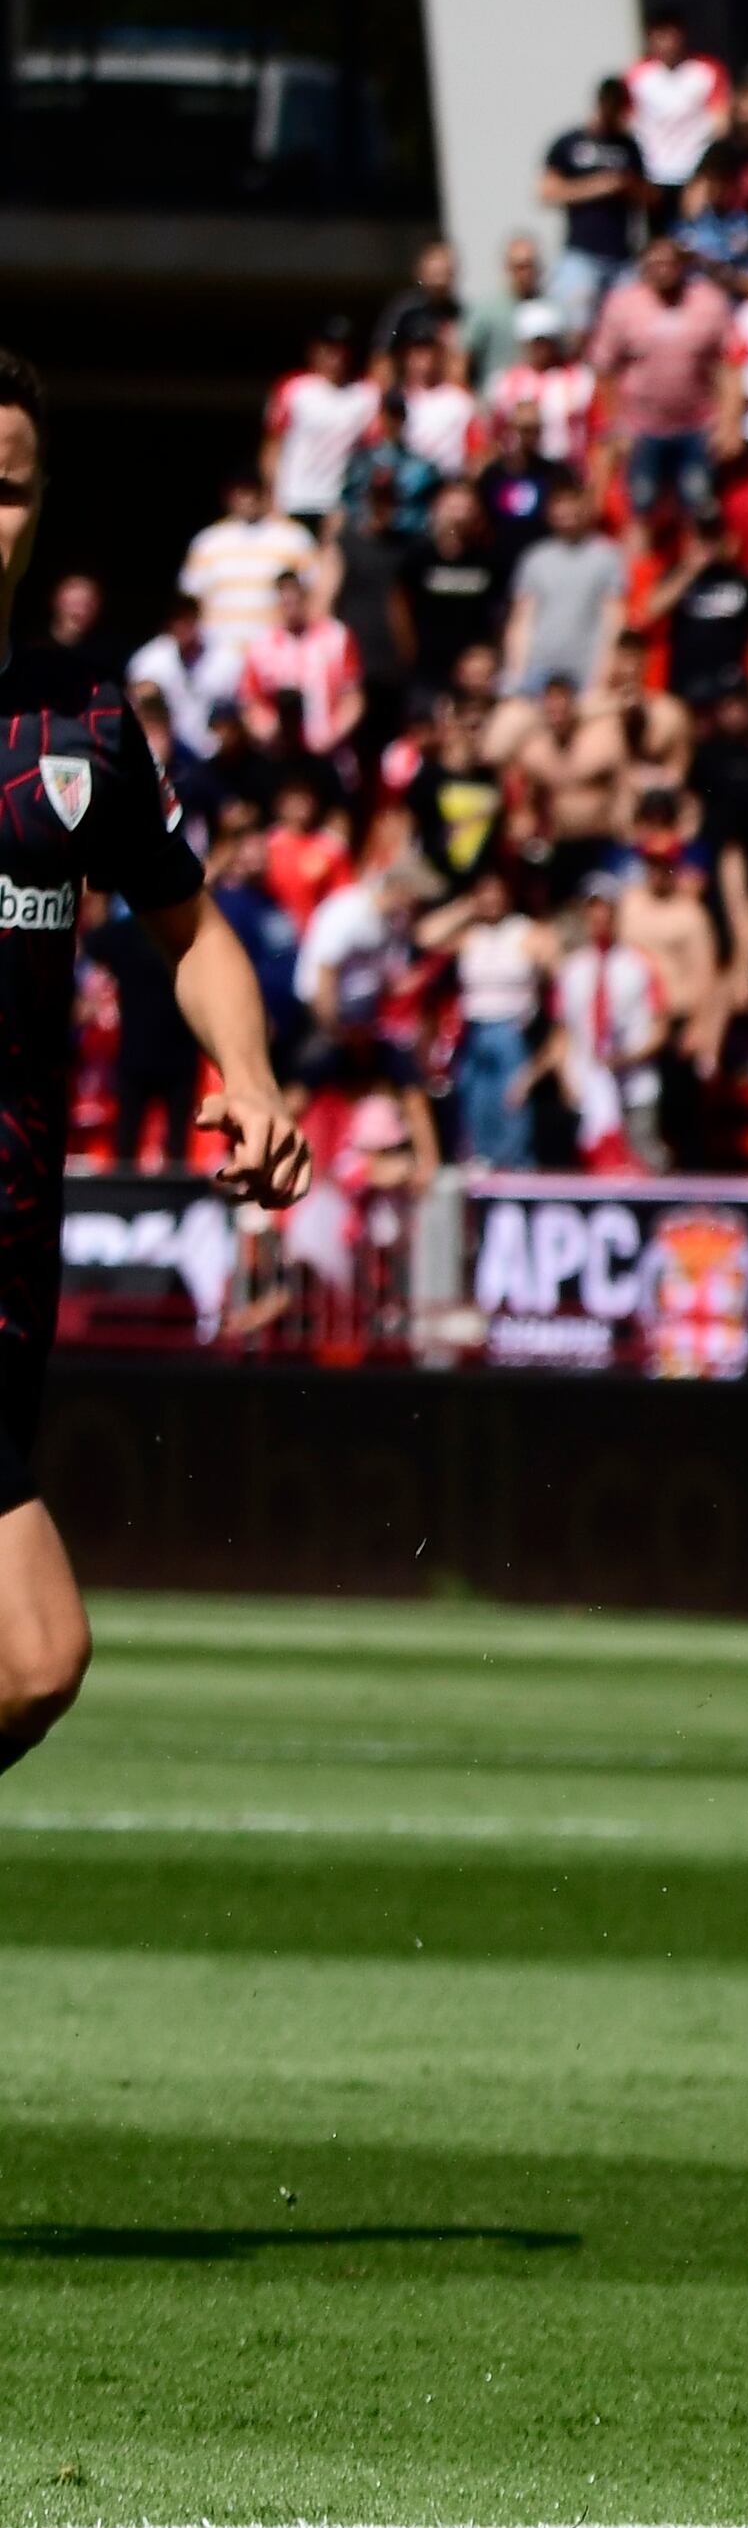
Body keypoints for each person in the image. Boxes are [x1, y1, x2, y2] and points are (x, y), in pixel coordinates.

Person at [0, 348, 314, 1767]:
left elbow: (192, 930)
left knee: (28, 1661)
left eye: (2, 491)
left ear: (39, 505)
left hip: (11, 1249)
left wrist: (247, 1078)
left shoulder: (84, 728)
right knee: (31, 1645)